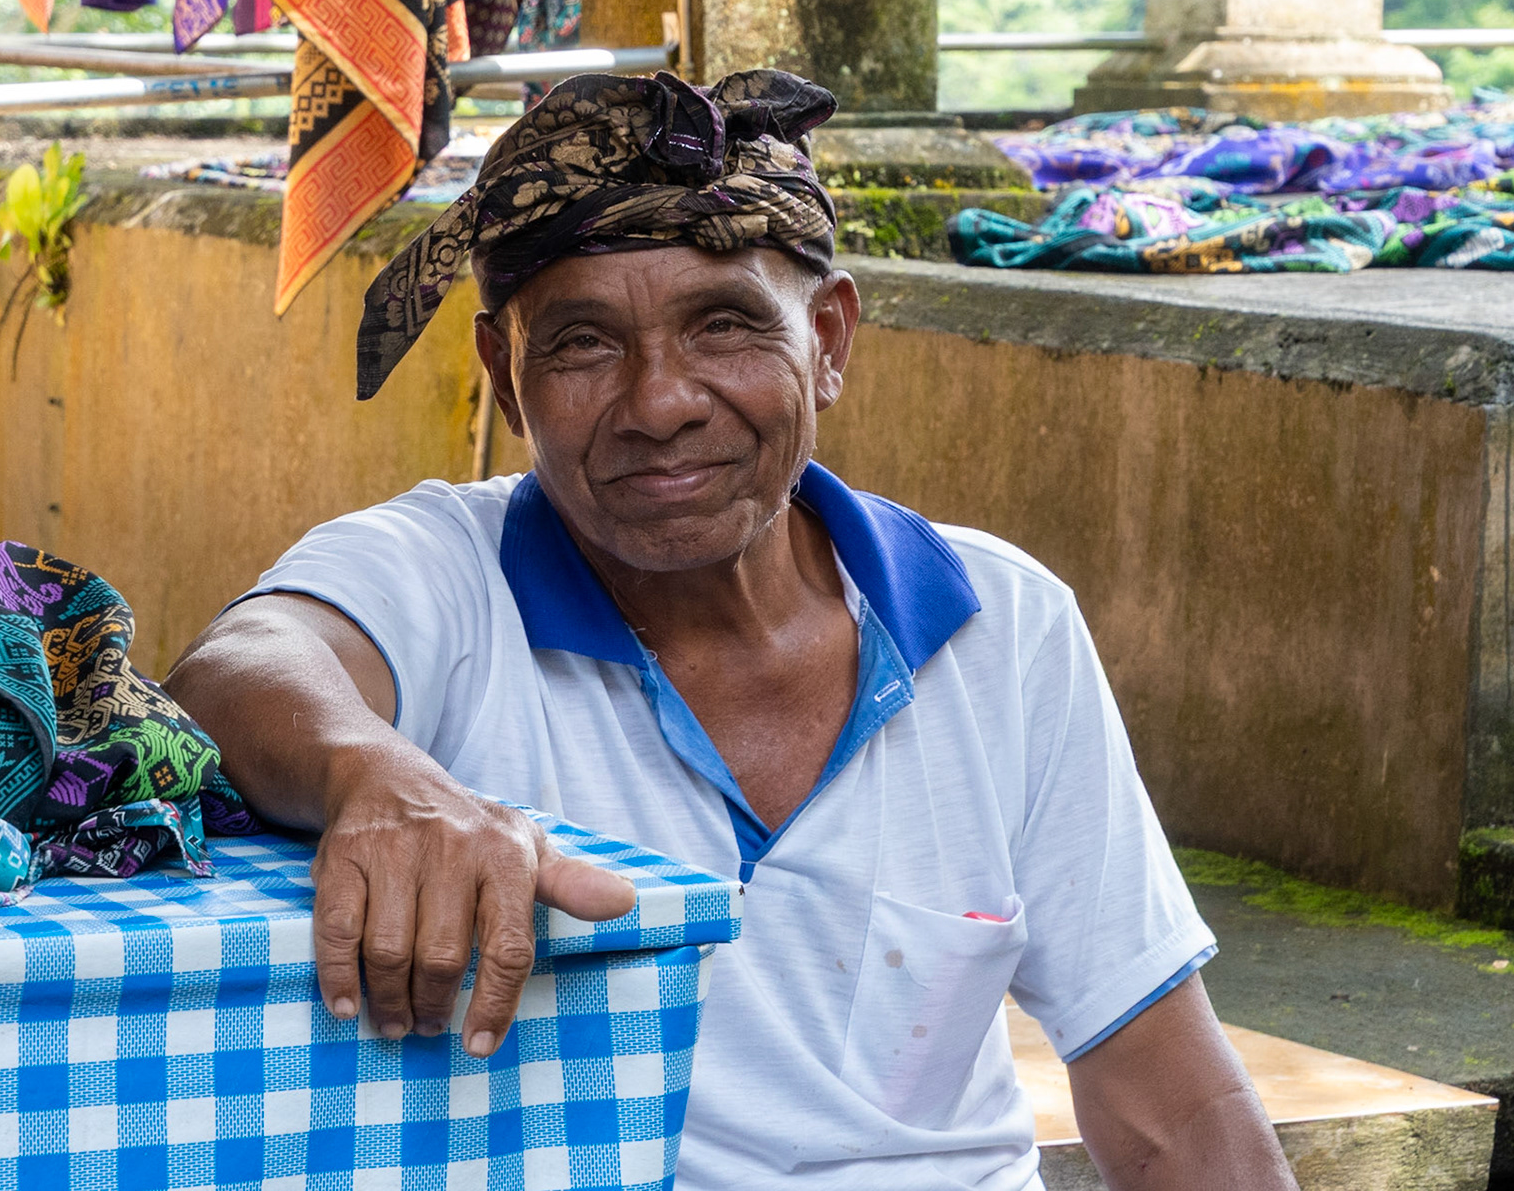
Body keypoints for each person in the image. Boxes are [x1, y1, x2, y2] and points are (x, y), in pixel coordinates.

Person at [166, 69, 1298, 1190]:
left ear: (831, 339)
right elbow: (238, 665)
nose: (662, 401)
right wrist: (380, 775)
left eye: (725, 325)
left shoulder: (1004, 623)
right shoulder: (448, 573)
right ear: (507, 381)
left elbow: (1173, 1109)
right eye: (583, 345)